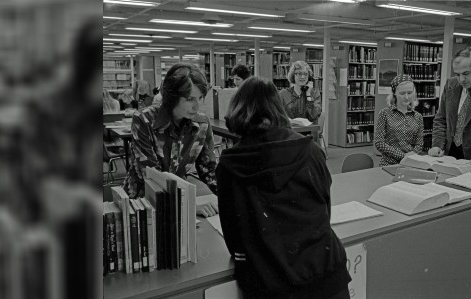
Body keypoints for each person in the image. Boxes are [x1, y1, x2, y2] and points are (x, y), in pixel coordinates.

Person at [216, 77, 351, 299]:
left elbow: (234, 241)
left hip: (271, 282)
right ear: (278, 108)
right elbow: (324, 209)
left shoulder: (229, 164)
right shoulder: (311, 151)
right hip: (327, 274)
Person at [123, 63, 218, 217]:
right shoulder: (144, 120)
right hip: (142, 205)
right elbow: (150, 175)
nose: (197, 105)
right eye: (189, 99)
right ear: (172, 97)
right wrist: (188, 206)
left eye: (200, 97)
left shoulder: (202, 124)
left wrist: (233, 200)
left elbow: (209, 170)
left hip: (179, 202)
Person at [374, 74, 424, 166]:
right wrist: (403, 156)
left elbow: (419, 144)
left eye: (409, 93)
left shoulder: (418, 117)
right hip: (389, 164)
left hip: (410, 163)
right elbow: (379, 143)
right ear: (394, 93)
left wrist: (411, 155)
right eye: (402, 93)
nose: (406, 97)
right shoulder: (384, 113)